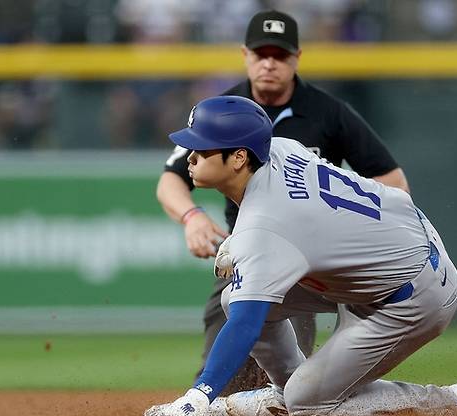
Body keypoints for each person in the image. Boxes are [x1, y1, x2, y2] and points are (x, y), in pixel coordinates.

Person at [145, 96, 457, 416]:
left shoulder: (265, 229)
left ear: (238, 158)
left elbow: (245, 325)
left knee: (308, 404)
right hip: (401, 240)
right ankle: (287, 391)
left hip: (412, 296)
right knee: (232, 296)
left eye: (203, 149)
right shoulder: (280, 147)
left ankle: (449, 399)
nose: (190, 157)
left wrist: (198, 397)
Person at [156, 10, 409, 393]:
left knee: (288, 384)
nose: (269, 63)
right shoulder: (219, 110)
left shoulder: (328, 112)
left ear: (297, 58)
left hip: (303, 262)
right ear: (245, 55)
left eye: (280, 54)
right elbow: (170, 180)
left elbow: (393, 184)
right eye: (261, 54)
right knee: (222, 376)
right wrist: (192, 217)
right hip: (244, 255)